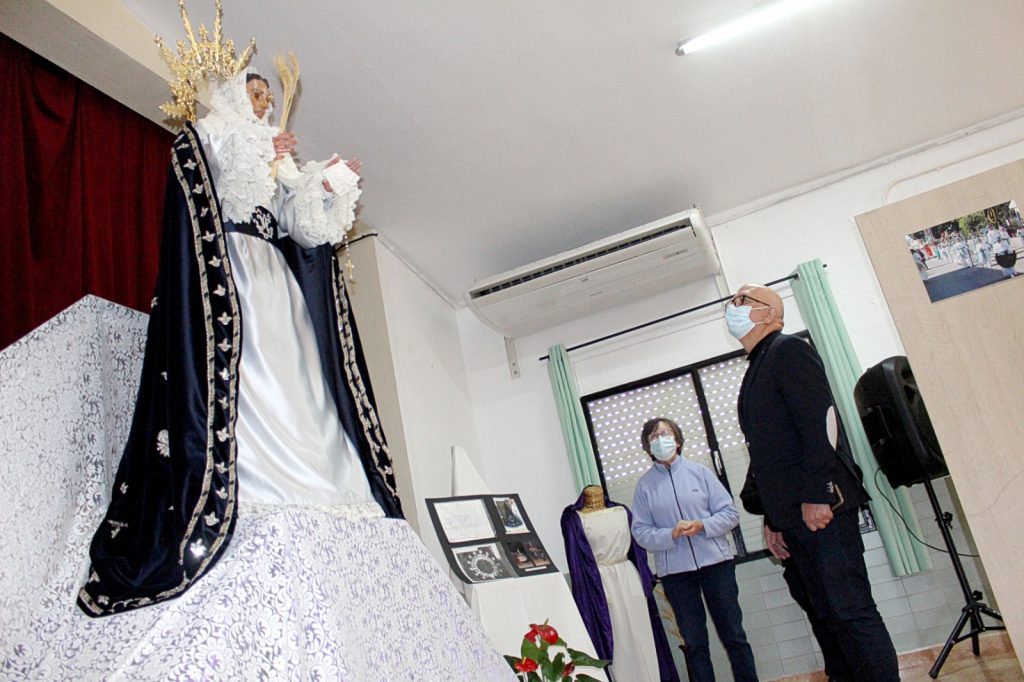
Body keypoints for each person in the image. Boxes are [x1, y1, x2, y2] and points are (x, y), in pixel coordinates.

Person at [78, 58, 402, 616]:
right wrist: (257, 148)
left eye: (267, 99)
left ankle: (325, 482)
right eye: (253, 94)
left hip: (277, 286)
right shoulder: (214, 138)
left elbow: (301, 229)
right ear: (229, 97)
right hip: (231, 279)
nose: (263, 104)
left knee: (300, 385)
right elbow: (200, 172)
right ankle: (255, 486)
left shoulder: (274, 155)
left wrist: (325, 184)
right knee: (247, 379)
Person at [727, 283, 899, 680]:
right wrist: (771, 518)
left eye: (742, 300)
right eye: (732, 301)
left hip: (822, 510)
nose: (733, 307)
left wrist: (818, 493)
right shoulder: (757, 366)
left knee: (850, 610)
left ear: (770, 314)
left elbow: (821, 422)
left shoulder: (788, 350)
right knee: (826, 614)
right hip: (791, 519)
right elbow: (770, 454)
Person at [631, 418, 758, 682]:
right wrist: (670, 534)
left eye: (665, 433)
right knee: (695, 643)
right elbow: (641, 533)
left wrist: (703, 525)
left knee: (734, 635)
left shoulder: (699, 472)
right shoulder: (644, 486)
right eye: (654, 436)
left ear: (677, 440)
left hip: (716, 565)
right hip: (676, 575)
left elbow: (730, 514)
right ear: (648, 446)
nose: (660, 438)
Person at [739, 470, 852, 682]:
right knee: (818, 615)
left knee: (845, 612)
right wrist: (777, 503)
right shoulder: (762, 459)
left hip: (828, 542)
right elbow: (748, 498)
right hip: (794, 553)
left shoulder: (809, 452)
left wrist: (779, 495)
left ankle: (857, 670)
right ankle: (838, 673)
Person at [561, 486, 679, 682]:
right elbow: (576, 561)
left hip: (628, 575)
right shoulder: (574, 519)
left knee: (643, 635)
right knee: (619, 641)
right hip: (601, 584)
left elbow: (637, 551)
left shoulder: (622, 512)